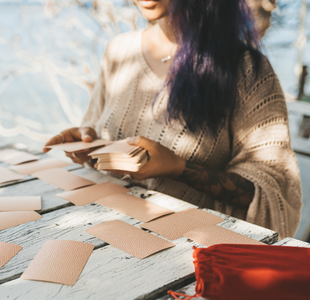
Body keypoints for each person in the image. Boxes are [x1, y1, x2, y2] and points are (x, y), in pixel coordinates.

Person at [43, 0, 302, 238]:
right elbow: (96, 137)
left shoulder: (245, 69)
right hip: (104, 229)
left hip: (188, 245)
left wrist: (177, 167)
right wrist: (87, 145)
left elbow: (270, 192)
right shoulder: (119, 50)